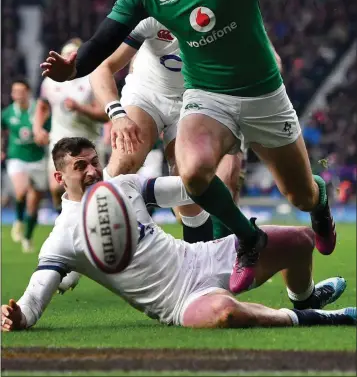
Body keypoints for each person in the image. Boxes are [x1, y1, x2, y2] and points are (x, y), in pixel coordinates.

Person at [40, 0, 336, 294]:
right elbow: (104, 40)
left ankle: (319, 202)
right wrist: (73, 68)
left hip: (263, 94)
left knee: (299, 194)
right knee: (192, 172)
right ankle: (248, 239)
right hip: (205, 97)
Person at [1, 137, 354, 332]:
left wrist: (206, 172)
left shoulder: (124, 185)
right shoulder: (61, 238)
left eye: (95, 161)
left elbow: (188, 189)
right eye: (81, 166)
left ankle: (305, 298)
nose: (94, 170)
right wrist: (17, 317)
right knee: (225, 314)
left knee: (301, 241)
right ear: (60, 178)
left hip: (202, 257)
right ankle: (320, 317)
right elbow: (32, 303)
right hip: (179, 301)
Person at [90, 16, 245, 241]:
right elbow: (102, 67)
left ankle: (201, 262)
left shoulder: (224, 18)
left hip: (194, 98)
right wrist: (118, 115)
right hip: (146, 94)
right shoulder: (153, 13)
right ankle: (80, 238)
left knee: (190, 181)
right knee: (125, 161)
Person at [33, 38, 108, 214]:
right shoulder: (50, 81)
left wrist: (80, 108)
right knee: (57, 188)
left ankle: (88, 226)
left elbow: (104, 115)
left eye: (71, 55)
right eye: (65, 55)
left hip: (88, 142)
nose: (67, 59)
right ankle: (68, 219)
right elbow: (42, 106)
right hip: (59, 139)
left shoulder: (92, 79)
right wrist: (38, 129)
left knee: (91, 190)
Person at [1, 79, 50, 253]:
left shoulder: (39, 110)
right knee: (21, 191)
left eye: (21, 91)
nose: (18, 94)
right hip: (16, 157)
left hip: (37, 159)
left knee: (33, 203)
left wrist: (44, 137)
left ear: (28, 92)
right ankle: (18, 221)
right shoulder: (7, 113)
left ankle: (28, 237)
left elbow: (49, 131)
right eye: (15, 91)